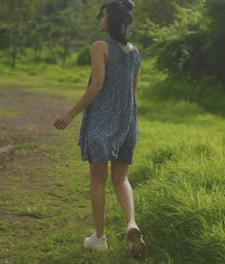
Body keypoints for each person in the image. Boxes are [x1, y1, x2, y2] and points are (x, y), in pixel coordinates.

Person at [53, 0, 145, 259]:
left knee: (98, 180)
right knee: (121, 179)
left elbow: (97, 85)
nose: (99, 19)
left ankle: (100, 239)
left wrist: (70, 114)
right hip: (127, 123)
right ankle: (131, 223)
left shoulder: (100, 47)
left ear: (111, 19)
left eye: (102, 15)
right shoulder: (135, 52)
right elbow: (133, 90)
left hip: (101, 123)